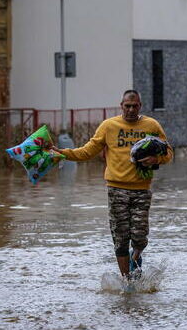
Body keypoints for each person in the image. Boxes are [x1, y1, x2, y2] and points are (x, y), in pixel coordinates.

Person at [53, 90, 173, 278]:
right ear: (121, 105)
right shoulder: (109, 126)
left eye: (134, 106)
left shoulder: (152, 125)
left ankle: (136, 260)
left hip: (141, 190)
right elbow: (87, 152)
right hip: (116, 189)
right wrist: (61, 153)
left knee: (140, 238)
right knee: (121, 238)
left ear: (140, 106)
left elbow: (168, 153)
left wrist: (155, 159)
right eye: (127, 106)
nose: (131, 110)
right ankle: (127, 282)